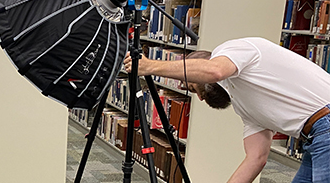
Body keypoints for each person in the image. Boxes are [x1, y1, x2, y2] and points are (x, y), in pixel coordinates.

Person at [124, 37, 330, 183]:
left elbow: (216, 70)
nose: (201, 98)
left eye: (194, 88)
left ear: (199, 65)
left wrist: (149, 66)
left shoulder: (234, 49)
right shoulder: (245, 105)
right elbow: (256, 158)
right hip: (314, 138)